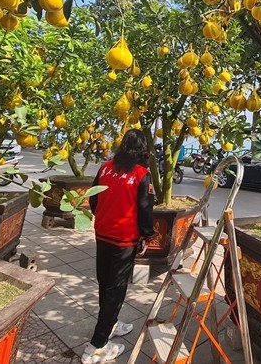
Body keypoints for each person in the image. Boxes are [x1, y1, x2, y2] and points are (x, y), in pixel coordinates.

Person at [81, 129, 155, 364]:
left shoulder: (105, 167)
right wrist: (147, 236)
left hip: (103, 233)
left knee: (105, 282)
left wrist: (103, 216)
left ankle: (111, 324)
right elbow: (145, 209)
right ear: (144, 148)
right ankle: (97, 346)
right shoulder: (142, 173)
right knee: (116, 289)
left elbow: (93, 198)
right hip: (124, 240)